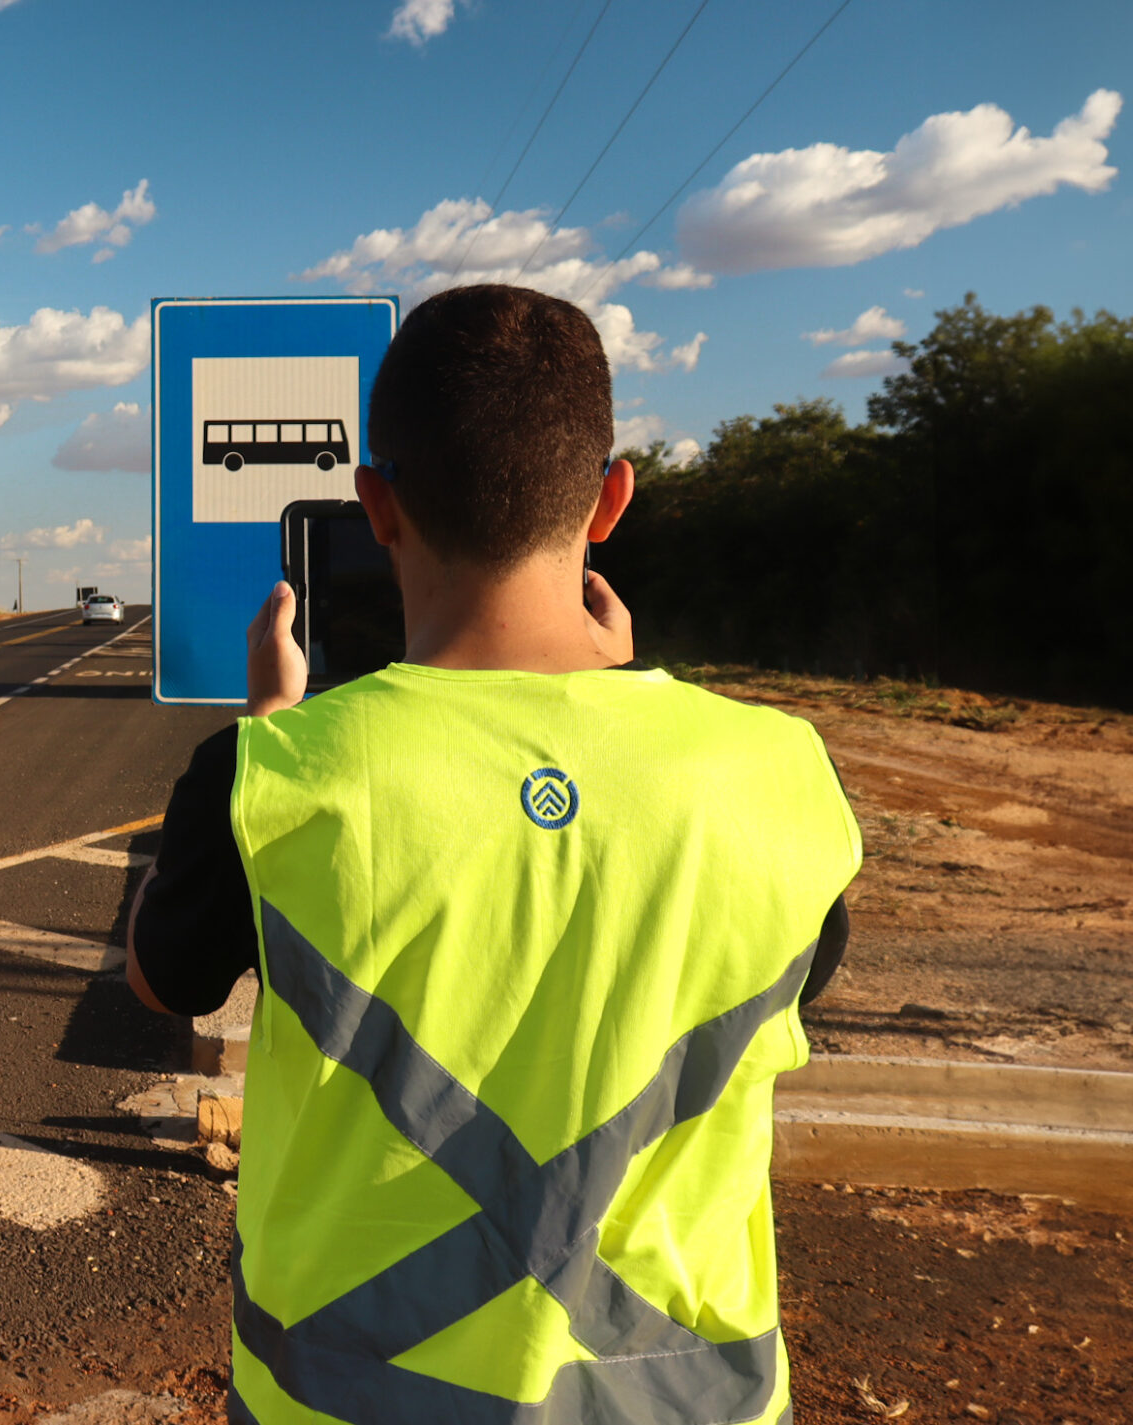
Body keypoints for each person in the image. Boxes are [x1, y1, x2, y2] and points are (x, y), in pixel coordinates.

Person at [125, 283, 858, 1424]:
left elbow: (159, 980)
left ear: (374, 505)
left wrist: (270, 727)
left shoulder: (267, 778)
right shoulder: (776, 775)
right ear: (610, 498)